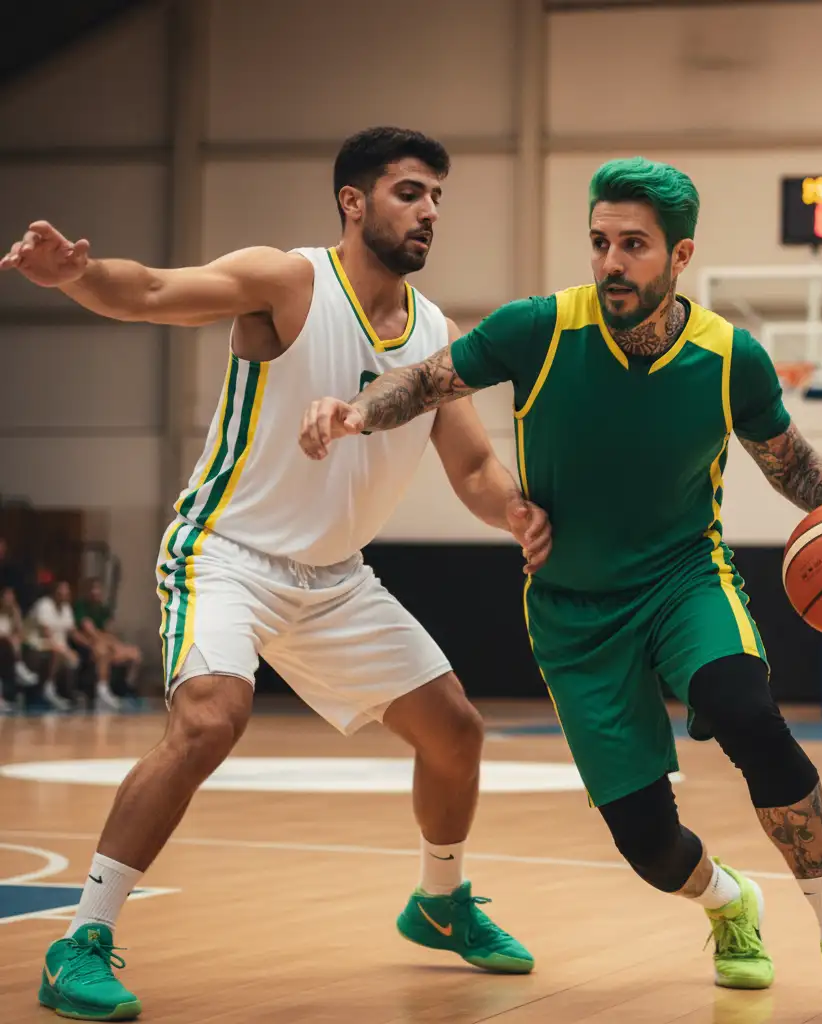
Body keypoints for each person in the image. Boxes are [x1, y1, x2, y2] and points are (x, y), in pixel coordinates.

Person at [300, 157, 822, 1022]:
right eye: (600, 242)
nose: (610, 262)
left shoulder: (728, 357)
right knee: (649, 844)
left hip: (684, 582)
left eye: (633, 245)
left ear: (679, 258)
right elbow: (430, 380)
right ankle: (727, 907)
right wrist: (355, 412)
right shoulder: (540, 329)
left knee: (748, 714)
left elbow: (791, 465)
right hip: (572, 611)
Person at [1, 126, 550, 1021]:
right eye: (411, 192)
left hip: (336, 579)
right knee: (212, 717)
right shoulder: (286, 281)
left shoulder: (438, 336)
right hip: (228, 555)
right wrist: (75, 276)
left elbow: (475, 471)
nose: (429, 212)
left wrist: (517, 514)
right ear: (353, 201)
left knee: (456, 733)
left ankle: (439, 902)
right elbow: (148, 291)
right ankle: (80, 941)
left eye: (438, 198)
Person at [73, 578, 142, 710]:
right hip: (88, 645)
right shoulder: (81, 607)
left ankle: (126, 688)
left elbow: (110, 631)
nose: (96, 592)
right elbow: (90, 631)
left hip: (106, 643)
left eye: (98, 589)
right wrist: (107, 641)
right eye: (93, 589)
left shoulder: (103, 609)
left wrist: (114, 644)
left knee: (135, 653)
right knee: (104, 651)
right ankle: (102, 692)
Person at [26, 579, 80, 710]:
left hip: (58, 646)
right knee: (57, 652)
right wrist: (64, 651)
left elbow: (73, 632)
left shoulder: (67, 608)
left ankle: (67, 694)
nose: (65, 593)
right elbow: (46, 634)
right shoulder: (44, 605)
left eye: (67, 591)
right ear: (54, 592)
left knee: (73, 658)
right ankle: (48, 690)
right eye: (62, 590)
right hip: (36, 645)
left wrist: (92, 644)